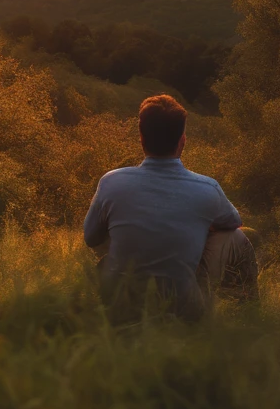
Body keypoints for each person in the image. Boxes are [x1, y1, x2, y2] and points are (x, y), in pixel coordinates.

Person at [83, 93, 258, 317]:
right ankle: (251, 315)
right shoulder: (207, 188)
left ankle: (112, 294)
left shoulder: (111, 182)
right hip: (184, 312)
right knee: (237, 237)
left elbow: (91, 238)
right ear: (182, 141)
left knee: (108, 223)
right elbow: (233, 222)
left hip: (119, 306)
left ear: (141, 138)